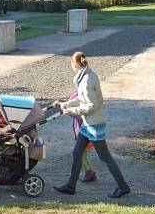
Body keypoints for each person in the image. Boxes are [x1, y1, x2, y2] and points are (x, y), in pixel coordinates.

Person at [52, 52, 130, 198]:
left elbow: (91, 105)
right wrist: (65, 104)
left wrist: (72, 111)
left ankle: (123, 186)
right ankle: (71, 186)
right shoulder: (87, 76)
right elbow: (81, 99)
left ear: (74, 65)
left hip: (93, 125)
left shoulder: (86, 80)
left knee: (105, 157)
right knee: (77, 153)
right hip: (88, 124)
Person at [69, 90, 97, 182]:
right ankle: (89, 171)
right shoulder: (80, 96)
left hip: (86, 133)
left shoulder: (84, 110)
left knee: (80, 153)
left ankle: (90, 172)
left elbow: (81, 117)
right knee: (82, 153)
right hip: (83, 132)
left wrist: (71, 112)